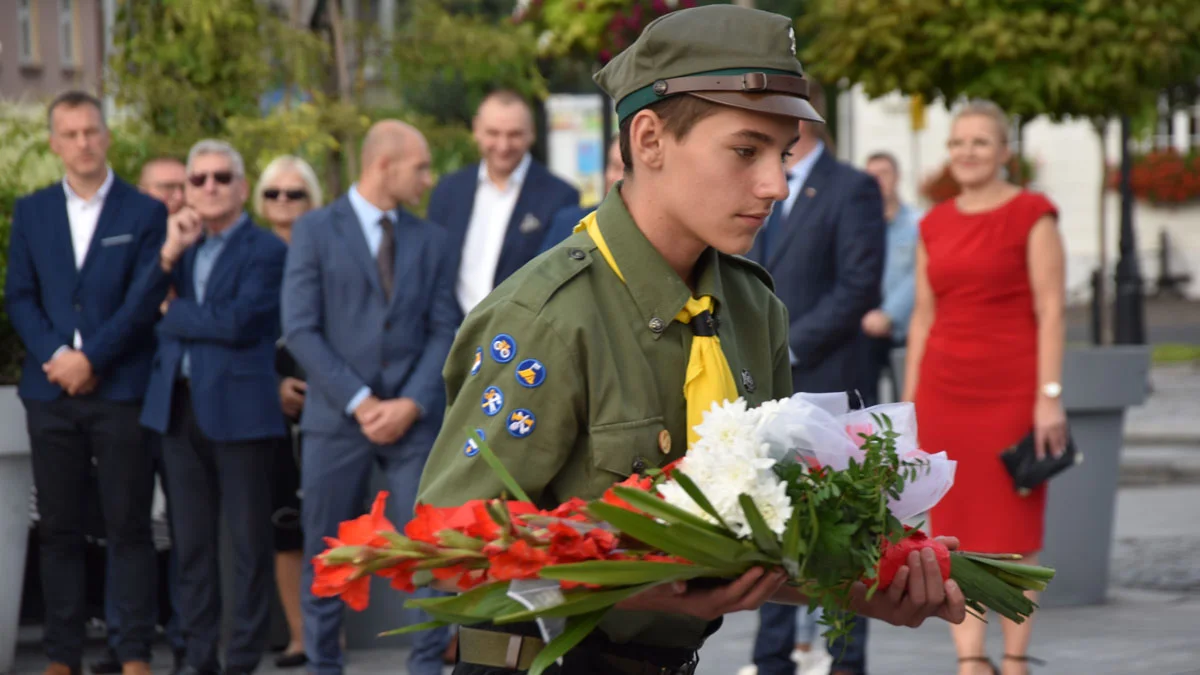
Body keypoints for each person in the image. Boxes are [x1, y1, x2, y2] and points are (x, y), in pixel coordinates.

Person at [416, 6, 966, 675]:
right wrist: (621, 581)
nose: (775, 184)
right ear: (649, 139)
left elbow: (763, 541)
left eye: (784, 154)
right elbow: (447, 546)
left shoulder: (750, 307)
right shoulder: (550, 314)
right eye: (746, 151)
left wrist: (871, 584)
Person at [283, 121, 459, 675]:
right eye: (421, 167)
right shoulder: (313, 230)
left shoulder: (432, 240)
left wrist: (410, 403)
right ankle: (322, 667)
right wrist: (360, 401)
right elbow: (300, 329)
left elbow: (444, 328)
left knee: (431, 551)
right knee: (329, 554)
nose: (428, 179)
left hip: (415, 422)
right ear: (385, 165)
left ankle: (427, 668)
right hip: (336, 423)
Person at [5, 90, 167, 675]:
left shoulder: (145, 212)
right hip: (50, 393)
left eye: (91, 131)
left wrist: (91, 357)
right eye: (70, 134)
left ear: (107, 136)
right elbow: (19, 296)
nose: (82, 143)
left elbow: (145, 297)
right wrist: (56, 355)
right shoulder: (33, 211)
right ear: (53, 142)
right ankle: (61, 654)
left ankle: (132, 652)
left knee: (128, 525)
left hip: (119, 388)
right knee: (59, 527)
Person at [902, 100, 1067, 675]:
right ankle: (970, 659)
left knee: (1014, 531)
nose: (966, 152)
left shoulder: (1032, 214)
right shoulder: (933, 223)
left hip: (1013, 391)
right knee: (953, 531)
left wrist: (1048, 394)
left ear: (1004, 152)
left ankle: (1015, 657)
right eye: (957, 143)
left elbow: (1052, 309)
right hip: (945, 390)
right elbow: (922, 316)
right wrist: (909, 406)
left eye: (979, 142)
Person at [745, 79, 886, 675]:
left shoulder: (852, 188)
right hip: (771, 392)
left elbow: (857, 286)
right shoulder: (749, 187)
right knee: (772, 515)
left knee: (841, 531)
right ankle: (771, 655)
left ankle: (845, 658)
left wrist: (785, 346)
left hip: (831, 380)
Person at [139, 139, 289, 675]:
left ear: (242, 187)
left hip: (242, 412)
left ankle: (242, 659)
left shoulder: (268, 250)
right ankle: (196, 657)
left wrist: (175, 313)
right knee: (191, 547)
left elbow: (240, 323)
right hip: (177, 412)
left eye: (219, 178)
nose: (207, 187)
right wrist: (170, 256)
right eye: (197, 179)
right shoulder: (179, 248)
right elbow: (142, 308)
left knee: (249, 546)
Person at [89, 156, 192, 675]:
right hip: (127, 403)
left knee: (186, 531)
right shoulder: (124, 244)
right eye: (161, 188)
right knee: (126, 525)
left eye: (181, 186)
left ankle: (185, 641)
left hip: (188, 411)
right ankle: (126, 642)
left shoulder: (200, 246)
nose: (172, 197)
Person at [252, 154, 325, 669]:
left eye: (294, 193)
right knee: (284, 522)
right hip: (269, 405)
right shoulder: (250, 251)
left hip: (330, 401)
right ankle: (300, 636)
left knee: (328, 521)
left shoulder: (329, 248)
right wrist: (272, 384)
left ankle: (329, 635)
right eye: (274, 193)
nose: (283, 203)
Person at [426, 89, 580, 316]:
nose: (503, 145)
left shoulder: (560, 197)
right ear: (476, 129)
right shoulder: (447, 191)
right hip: (453, 339)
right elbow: (433, 273)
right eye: (493, 133)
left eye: (514, 134)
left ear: (532, 133)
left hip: (522, 338)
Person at [858, 152, 921, 404]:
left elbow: (920, 275)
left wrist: (890, 313)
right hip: (864, 329)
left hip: (903, 329)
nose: (878, 180)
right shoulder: (859, 226)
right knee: (867, 407)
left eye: (883, 173)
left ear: (897, 177)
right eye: (871, 176)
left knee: (906, 402)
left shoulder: (917, 224)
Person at [539, 137, 626, 252]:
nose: (619, 178)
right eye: (615, 167)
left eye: (629, 170)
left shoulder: (655, 234)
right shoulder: (568, 223)